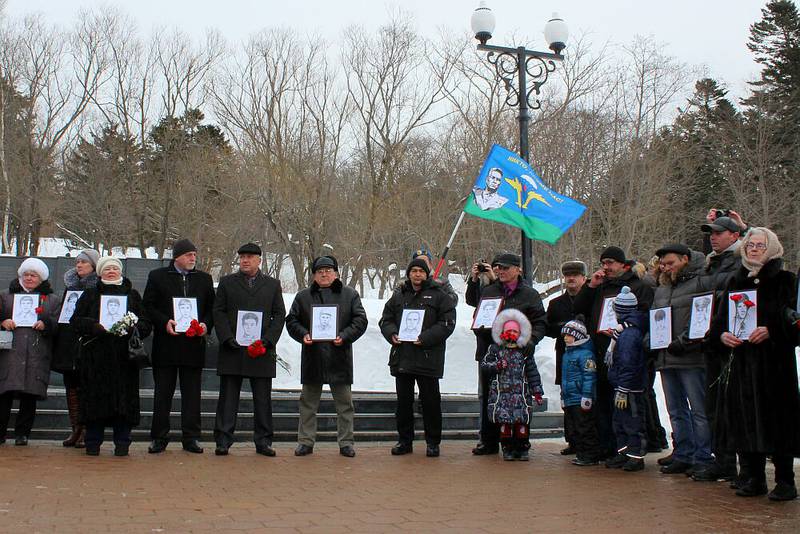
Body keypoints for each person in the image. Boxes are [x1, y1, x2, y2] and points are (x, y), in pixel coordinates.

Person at [709, 228, 799, 501]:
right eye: (750, 245)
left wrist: (772, 329)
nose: (754, 249)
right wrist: (722, 335)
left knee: (778, 420)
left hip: (774, 364)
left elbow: (795, 322)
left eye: (760, 245)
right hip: (742, 363)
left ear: (771, 248)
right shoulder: (736, 281)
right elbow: (717, 324)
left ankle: (785, 480)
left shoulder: (786, 280)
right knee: (746, 418)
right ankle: (754, 477)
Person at [573, 246, 655, 459]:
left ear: (623, 264)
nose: (606, 267)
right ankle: (610, 446)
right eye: (603, 263)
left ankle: (635, 448)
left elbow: (645, 315)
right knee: (605, 403)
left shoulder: (638, 285)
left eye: (610, 263)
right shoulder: (601, 286)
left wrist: (625, 328)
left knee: (628, 405)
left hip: (628, 352)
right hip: (602, 349)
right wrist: (591, 286)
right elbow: (578, 307)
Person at [286, 256, 368, 458]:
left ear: (336, 273)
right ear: (314, 275)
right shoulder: (303, 296)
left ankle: (346, 442)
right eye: (320, 271)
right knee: (307, 403)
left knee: (345, 404)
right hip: (313, 357)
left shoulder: (350, 295)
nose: (324, 274)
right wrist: (302, 334)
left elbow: (360, 320)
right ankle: (305, 441)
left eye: (328, 270)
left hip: (339, 357)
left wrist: (345, 335)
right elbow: (292, 321)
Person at [466, 253, 547, 456]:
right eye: (498, 268)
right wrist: (480, 327)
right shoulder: (489, 290)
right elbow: (477, 313)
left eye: (506, 268)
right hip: (491, 353)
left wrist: (532, 339)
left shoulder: (529, 294)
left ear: (518, 269)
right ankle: (489, 441)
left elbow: (540, 321)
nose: (501, 271)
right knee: (489, 397)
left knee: (520, 398)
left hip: (519, 356)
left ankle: (520, 444)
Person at [70, 256, 152, 456]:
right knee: (95, 401)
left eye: (115, 268)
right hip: (96, 359)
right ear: (100, 272)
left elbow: (146, 324)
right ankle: (93, 442)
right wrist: (93, 326)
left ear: (121, 271)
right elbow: (76, 321)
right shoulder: (90, 295)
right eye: (107, 269)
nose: (111, 271)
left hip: (124, 360)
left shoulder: (132, 295)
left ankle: (122, 442)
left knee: (123, 405)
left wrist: (133, 328)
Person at [143, 238, 215, 455]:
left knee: (192, 395)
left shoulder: (204, 279)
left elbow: (212, 308)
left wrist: (205, 324)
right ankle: (159, 437)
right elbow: (148, 305)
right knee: (162, 394)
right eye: (188, 255)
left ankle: (191, 437)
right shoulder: (158, 277)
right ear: (177, 257)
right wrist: (164, 321)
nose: (193, 258)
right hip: (166, 345)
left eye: (194, 254)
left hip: (193, 346)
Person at [213, 243, 285, 457]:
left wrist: (267, 341)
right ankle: (223, 439)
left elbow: (279, 315)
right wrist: (226, 337)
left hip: (260, 350)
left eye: (250, 257)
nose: (245, 260)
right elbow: (219, 311)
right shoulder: (227, 283)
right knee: (228, 398)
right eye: (242, 257)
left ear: (259, 260)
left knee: (262, 399)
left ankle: (263, 441)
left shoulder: (272, 285)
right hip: (233, 349)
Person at [379, 258, 456, 457]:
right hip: (403, 356)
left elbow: (448, 322)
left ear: (426, 274)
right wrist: (391, 333)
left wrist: (426, 338)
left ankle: (432, 442)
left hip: (428, 356)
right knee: (403, 403)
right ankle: (405, 441)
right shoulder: (399, 295)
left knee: (431, 402)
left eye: (420, 271)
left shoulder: (439, 296)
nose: (417, 274)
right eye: (413, 271)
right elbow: (385, 319)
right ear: (409, 273)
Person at [650, 244, 714, 477]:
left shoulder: (701, 282)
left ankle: (703, 456)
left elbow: (703, 317)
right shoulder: (662, 288)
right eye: (663, 264)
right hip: (666, 358)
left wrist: (684, 341)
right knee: (675, 410)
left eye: (670, 263)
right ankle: (683, 453)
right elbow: (654, 317)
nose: (666, 268)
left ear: (685, 259)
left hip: (692, 357)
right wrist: (651, 340)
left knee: (699, 410)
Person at [692, 213, 745, 482]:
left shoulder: (741, 259)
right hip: (711, 340)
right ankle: (722, 460)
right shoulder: (711, 264)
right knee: (713, 406)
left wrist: (747, 229)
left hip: (733, 343)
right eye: (710, 233)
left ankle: (744, 465)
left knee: (733, 406)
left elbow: (764, 253)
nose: (712, 237)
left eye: (719, 232)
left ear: (735, 236)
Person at [0, 258, 61, 446]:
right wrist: (3, 321)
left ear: (41, 278)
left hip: (36, 352)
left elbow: (59, 321)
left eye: (33, 275)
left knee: (30, 395)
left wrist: (46, 324)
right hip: (10, 353)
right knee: (4, 394)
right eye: (25, 274)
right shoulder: (5, 296)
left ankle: (22, 433)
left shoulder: (52, 299)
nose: (29, 278)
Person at [480, 309, 543, 461]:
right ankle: (507, 447)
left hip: (521, 395)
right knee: (505, 425)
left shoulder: (524, 351)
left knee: (521, 424)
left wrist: (537, 391)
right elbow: (485, 365)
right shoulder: (495, 349)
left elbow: (532, 371)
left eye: (515, 331)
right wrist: (497, 366)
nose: (511, 334)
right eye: (509, 331)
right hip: (502, 395)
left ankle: (522, 448)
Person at [52, 249, 99, 448]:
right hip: (67, 343)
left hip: (87, 343)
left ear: (94, 266)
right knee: (70, 387)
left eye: (83, 262)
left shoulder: (97, 288)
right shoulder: (70, 286)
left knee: (85, 388)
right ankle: (75, 429)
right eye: (77, 262)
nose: (79, 265)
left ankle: (86, 431)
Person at [544, 260, 587, 455]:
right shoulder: (556, 303)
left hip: (587, 356)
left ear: (583, 277)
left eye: (575, 275)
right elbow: (548, 327)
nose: (571, 278)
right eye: (568, 275)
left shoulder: (591, 299)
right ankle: (573, 439)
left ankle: (588, 439)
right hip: (564, 355)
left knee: (586, 398)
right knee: (567, 398)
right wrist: (565, 328)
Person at [604, 287, 648, 472]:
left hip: (630, 388)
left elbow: (629, 363)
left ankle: (635, 456)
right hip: (621, 385)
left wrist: (623, 387)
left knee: (632, 422)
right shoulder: (621, 332)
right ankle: (624, 452)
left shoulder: (629, 334)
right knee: (620, 421)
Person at [559, 315, 602, 466]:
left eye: (569, 335)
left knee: (585, 427)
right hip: (570, 397)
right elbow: (565, 377)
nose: (565, 338)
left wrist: (587, 396)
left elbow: (589, 377)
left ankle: (591, 455)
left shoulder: (586, 354)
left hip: (581, 397)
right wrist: (563, 395)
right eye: (565, 335)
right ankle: (582, 453)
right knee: (576, 428)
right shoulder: (567, 353)